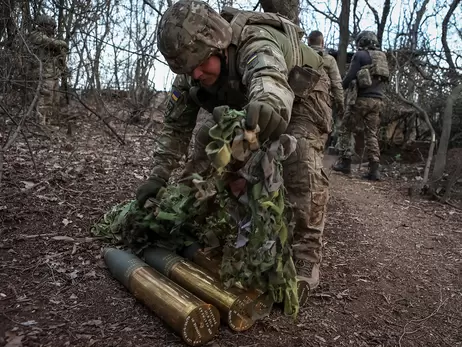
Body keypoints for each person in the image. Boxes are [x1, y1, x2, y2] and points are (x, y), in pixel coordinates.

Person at [135, 1, 332, 291]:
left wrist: (267, 106)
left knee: (298, 152)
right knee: (210, 145)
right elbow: (176, 128)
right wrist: (158, 176)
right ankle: (195, 218)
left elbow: (269, 79)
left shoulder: (255, 42)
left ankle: (305, 253)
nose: (197, 74)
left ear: (219, 46)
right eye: (190, 69)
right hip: (252, 103)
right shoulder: (191, 73)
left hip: (304, 95)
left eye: (202, 63)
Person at [333, 31, 389, 180]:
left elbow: (350, 76)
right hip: (378, 101)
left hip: (361, 100)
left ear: (362, 42)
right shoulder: (382, 56)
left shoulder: (360, 55)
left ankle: (345, 162)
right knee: (371, 134)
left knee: (345, 128)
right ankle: (374, 170)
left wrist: (339, 88)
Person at [28, 15, 68, 124]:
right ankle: (41, 124)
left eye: (54, 27)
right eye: (51, 26)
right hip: (43, 75)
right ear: (43, 25)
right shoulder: (35, 36)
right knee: (44, 101)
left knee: (53, 102)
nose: (53, 29)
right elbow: (51, 43)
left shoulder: (50, 39)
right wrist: (62, 43)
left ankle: (49, 123)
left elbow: (59, 55)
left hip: (53, 75)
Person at [307, 30, 344, 126]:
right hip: (322, 102)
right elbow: (336, 84)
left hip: (302, 99)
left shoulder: (300, 55)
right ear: (322, 42)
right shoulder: (329, 60)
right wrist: (341, 105)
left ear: (308, 42)